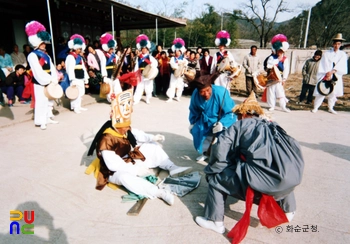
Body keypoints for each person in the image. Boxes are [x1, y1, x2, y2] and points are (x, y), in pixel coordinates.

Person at [195, 92, 304, 243]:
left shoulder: (240, 125)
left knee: (216, 178)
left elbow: (220, 150)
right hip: (289, 181)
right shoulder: (273, 124)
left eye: (239, 115)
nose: (237, 118)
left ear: (244, 113)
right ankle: (288, 211)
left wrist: (213, 168)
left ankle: (215, 221)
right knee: (281, 172)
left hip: (261, 185)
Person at [87, 89, 192, 205]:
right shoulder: (106, 139)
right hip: (113, 170)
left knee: (152, 146)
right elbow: (114, 165)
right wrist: (137, 170)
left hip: (128, 158)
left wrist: (152, 137)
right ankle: (159, 192)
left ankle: (172, 168)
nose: (127, 129)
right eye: (124, 127)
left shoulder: (124, 128)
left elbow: (138, 134)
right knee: (124, 177)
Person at [189, 72, 236, 161]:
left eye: (207, 90)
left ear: (211, 86)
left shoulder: (221, 92)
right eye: (202, 92)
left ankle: (222, 154)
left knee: (225, 137)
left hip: (222, 119)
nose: (206, 94)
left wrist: (222, 124)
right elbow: (194, 110)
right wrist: (193, 122)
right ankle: (205, 152)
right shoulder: (195, 94)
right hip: (205, 119)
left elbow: (231, 112)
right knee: (196, 130)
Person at [25, 20, 59, 130]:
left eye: (44, 43)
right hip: (40, 82)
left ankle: (48, 117)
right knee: (41, 101)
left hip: (49, 80)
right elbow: (37, 71)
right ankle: (41, 121)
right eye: (42, 43)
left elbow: (52, 68)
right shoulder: (32, 55)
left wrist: (54, 78)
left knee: (49, 100)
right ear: (37, 43)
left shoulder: (46, 55)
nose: (44, 45)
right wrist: (48, 80)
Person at [312, 33, 348, 114]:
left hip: (336, 75)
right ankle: (316, 107)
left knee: (333, 93)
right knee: (322, 91)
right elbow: (324, 64)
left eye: (338, 44)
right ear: (333, 44)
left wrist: (333, 71)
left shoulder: (342, 54)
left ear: (340, 44)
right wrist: (327, 73)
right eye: (335, 43)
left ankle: (330, 107)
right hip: (326, 74)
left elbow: (341, 65)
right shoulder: (327, 53)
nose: (336, 45)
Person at [265, 34, 291, 112]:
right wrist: (271, 67)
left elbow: (286, 69)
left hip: (279, 79)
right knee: (271, 93)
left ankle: (283, 107)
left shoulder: (285, 59)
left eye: (281, 51)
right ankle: (271, 106)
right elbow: (268, 66)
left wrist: (284, 79)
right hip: (272, 78)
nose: (279, 52)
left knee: (281, 94)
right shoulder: (271, 58)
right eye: (278, 50)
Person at [65, 34, 89, 114]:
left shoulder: (79, 57)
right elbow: (69, 69)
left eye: (80, 49)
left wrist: (86, 78)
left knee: (81, 92)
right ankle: (75, 107)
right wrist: (72, 79)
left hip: (80, 76)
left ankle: (79, 106)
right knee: (75, 92)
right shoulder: (70, 57)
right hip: (75, 77)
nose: (80, 50)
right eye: (79, 48)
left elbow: (83, 67)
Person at [133, 34, 158, 104]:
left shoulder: (150, 57)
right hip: (140, 74)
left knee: (148, 87)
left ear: (147, 49)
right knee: (139, 87)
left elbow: (155, 64)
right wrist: (135, 73)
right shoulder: (139, 57)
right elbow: (136, 66)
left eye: (145, 48)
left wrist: (151, 73)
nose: (143, 50)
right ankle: (136, 99)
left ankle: (147, 98)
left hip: (148, 75)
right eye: (142, 48)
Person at [165, 38, 188, 103]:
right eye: (176, 51)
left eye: (179, 51)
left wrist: (182, 64)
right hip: (174, 73)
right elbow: (172, 65)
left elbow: (186, 65)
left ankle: (178, 96)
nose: (177, 52)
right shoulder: (172, 58)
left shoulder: (184, 59)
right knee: (172, 85)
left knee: (180, 85)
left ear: (181, 52)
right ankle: (170, 97)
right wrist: (178, 64)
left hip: (180, 74)